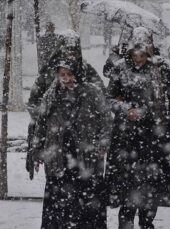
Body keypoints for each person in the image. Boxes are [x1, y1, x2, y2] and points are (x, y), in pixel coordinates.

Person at [106, 27, 170, 229]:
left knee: (152, 188)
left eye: (142, 55)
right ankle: (126, 223)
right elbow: (109, 98)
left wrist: (168, 124)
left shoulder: (163, 67)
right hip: (126, 138)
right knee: (127, 187)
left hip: (155, 138)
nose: (138, 59)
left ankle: (147, 223)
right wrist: (125, 109)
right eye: (135, 55)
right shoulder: (120, 68)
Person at [30, 57, 112, 229]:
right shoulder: (51, 94)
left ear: (78, 74)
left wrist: (103, 143)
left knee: (86, 200)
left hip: (85, 155)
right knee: (59, 203)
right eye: (62, 75)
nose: (66, 79)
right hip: (58, 155)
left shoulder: (92, 92)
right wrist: (37, 150)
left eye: (70, 74)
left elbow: (105, 119)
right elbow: (41, 124)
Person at [26, 33, 107, 179]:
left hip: (83, 139)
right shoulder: (48, 72)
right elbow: (34, 103)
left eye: (74, 51)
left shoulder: (86, 70)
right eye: (67, 51)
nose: (71, 55)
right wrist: (49, 118)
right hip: (57, 138)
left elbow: (102, 101)